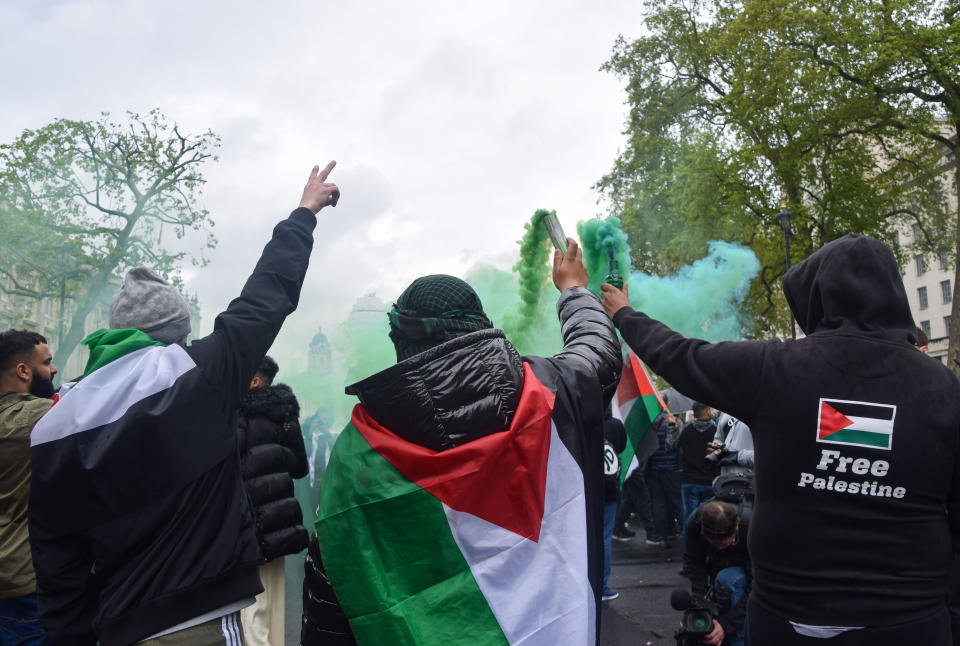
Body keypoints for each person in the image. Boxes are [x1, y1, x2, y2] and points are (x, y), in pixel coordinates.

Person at [28, 161, 340, 646]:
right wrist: (303, 213)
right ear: (180, 332)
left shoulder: (54, 423)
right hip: (201, 620)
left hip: (113, 626)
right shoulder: (200, 375)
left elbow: (55, 558)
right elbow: (266, 297)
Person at [601, 234, 960, 644]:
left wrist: (624, 314)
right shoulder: (944, 389)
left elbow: (680, 356)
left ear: (819, 297)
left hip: (790, 619)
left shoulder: (775, 368)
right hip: (909, 622)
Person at [301, 239, 621, 645]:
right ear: (481, 327)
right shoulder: (551, 394)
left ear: (400, 342)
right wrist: (574, 290)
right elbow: (598, 352)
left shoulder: (359, 451)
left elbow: (335, 584)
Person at [237, 356, 309, 646]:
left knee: (250, 610)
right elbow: (300, 468)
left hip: (247, 523)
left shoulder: (238, 416)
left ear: (254, 381)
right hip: (278, 523)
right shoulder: (284, 417)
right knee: (274, 606)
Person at [0, 331, 57, 646]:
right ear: (23, 371)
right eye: (47, 362)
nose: (54, 370)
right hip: (22, 584)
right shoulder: (42, 416)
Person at [684, 500, 750, 646]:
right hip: (717, 565)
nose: (720, 548)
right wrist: (702, 603)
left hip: (749, 570)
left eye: (725, 544)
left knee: (728, 578)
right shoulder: (694, 524)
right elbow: (693, 562)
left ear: (736, 526)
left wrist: (726, 626)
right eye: (715, 544)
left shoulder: (752, 529)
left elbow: (757, 586)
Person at [669, 401, 718, 562]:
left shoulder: (686, 429)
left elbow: (670, 446)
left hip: (689, 480)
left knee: (689, 524)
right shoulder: (716, 431)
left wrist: (672, 427)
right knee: (710, 523)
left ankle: (689, 561)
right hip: (710, 481)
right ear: (708, 412)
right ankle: (708, 560)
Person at [643, 399, 683, 547]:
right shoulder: (675, 423)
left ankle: (661, 536)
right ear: (668, 404)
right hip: (672, 469)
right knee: (677, 503)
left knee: (658, 503)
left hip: (654, 468)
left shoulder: (651, 423)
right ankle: (683, 532)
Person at [601, 412, 627, 601]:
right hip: (610, 488)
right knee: (604, 537)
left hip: (586, 488)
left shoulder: (582, 420)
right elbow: (622, 446)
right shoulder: (615, 425)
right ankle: (602, 585)